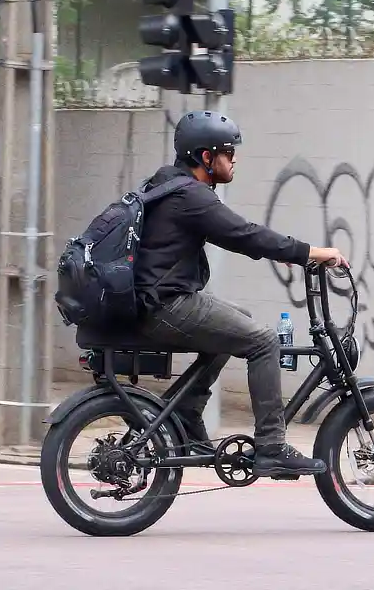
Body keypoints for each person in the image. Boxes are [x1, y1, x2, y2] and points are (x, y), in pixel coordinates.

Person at [132, 110, 349, 478]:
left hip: (155, 301)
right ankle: (272, 446)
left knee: (239, 322)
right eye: (228, 153)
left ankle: (185, 411)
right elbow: (244, 233)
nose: (235, 160)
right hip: (165, 305)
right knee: (263, 341)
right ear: (206, 157)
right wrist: (310, 252)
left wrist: (286, 253)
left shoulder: (168, 186)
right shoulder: (190, 195)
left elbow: (241, 236)